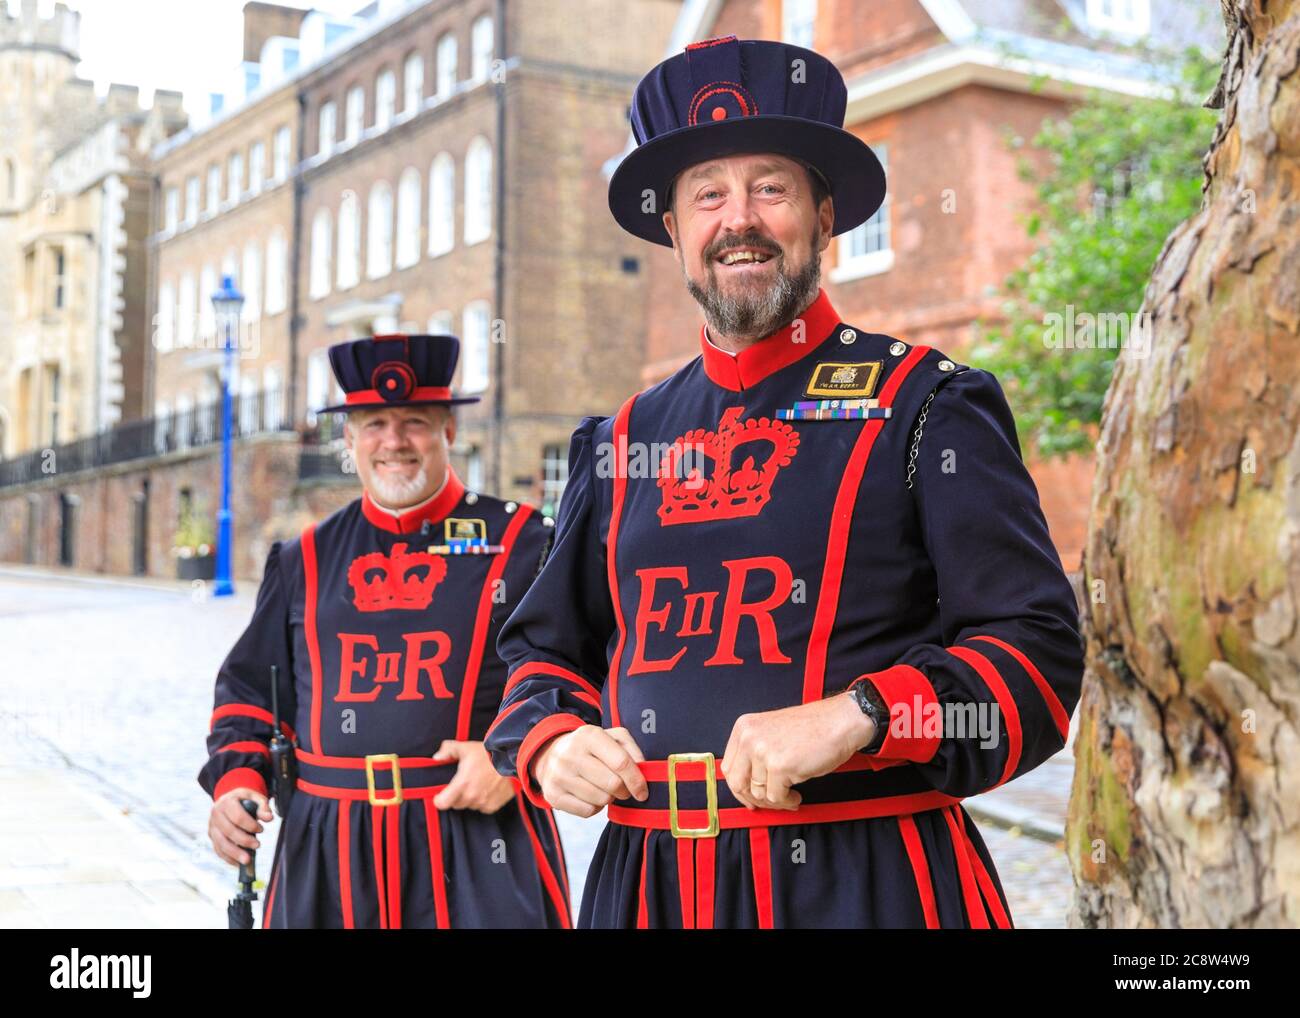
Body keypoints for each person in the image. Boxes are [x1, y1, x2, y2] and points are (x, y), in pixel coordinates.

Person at [485, 35, 1084, 928]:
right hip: (645, 892)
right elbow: (539, 657)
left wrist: (866, 713)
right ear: (675, 231)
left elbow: (1038, 661)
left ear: (823, 214)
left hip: (869, 885)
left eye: (770, 187)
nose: (740, 219)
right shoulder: (617, 440)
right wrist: (549, 743)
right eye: (708, 195)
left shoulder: (926, 403)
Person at [199, 333, 571, 928]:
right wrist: (236, 782)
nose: (393, 442)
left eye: (415, 422)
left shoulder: (526, 542)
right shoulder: (304, 559)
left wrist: (518, 757)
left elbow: (582, 669)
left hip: (478, 842)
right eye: (373, 423)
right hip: (327, 847)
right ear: (348, 439)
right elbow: (251, 693)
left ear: (449, 431)